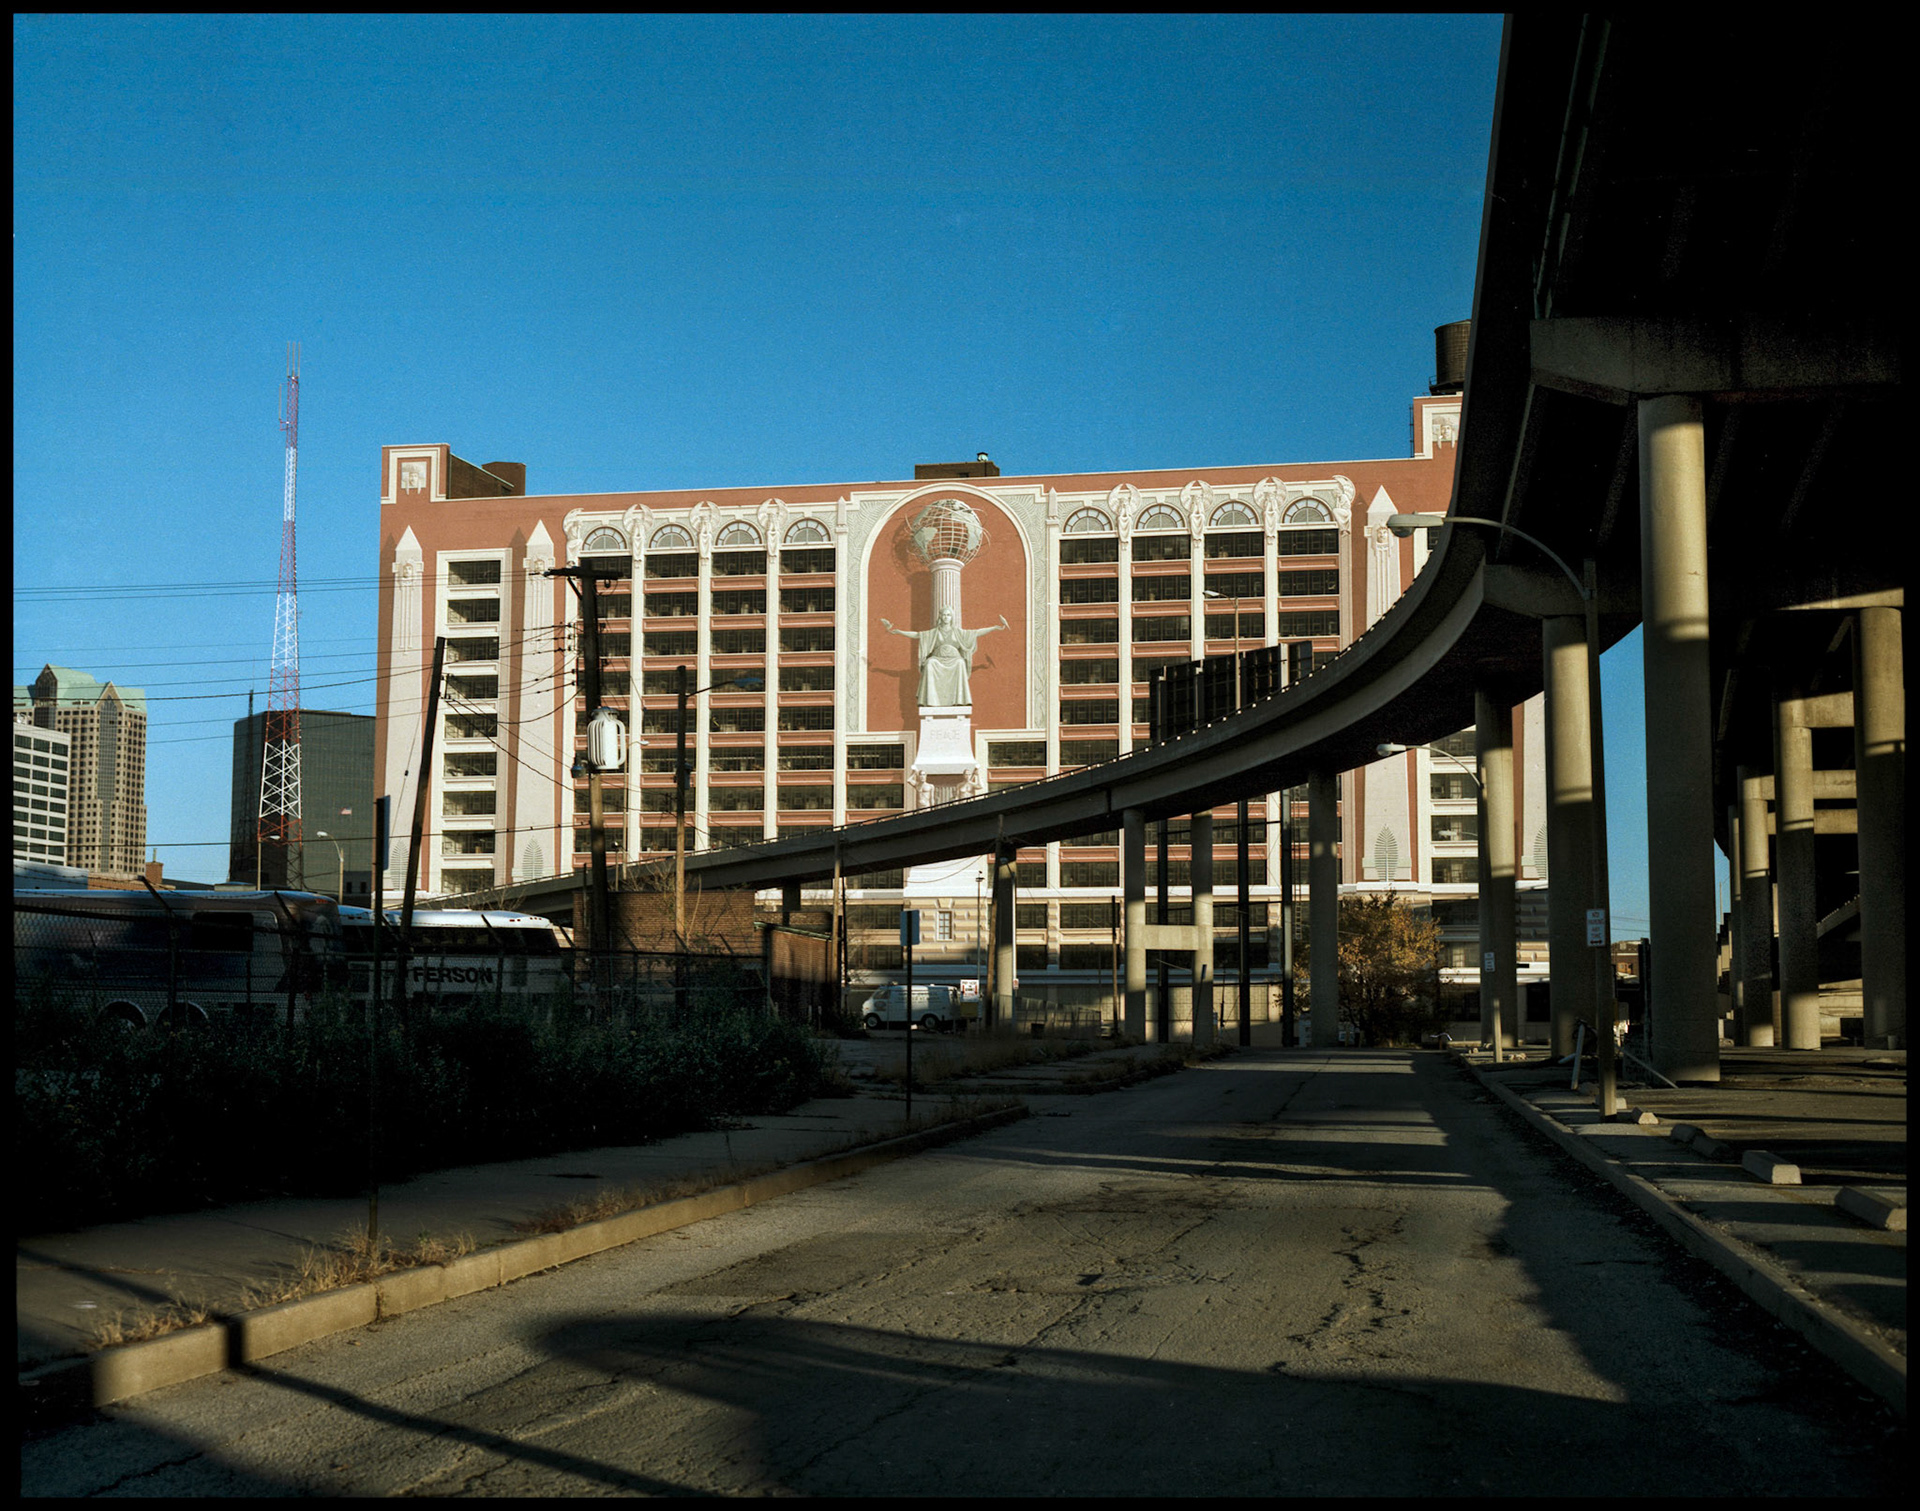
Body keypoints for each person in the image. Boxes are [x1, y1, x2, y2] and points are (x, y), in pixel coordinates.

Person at [879, 608, 1009, 708]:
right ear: (940, 617)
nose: (946, 617)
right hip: (938, 659)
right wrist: (898, 631)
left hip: (954, 659)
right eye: (944, 614)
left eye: (948, 615)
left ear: (952, 617)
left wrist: (995, 628)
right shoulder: (934, 632)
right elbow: (917, 635)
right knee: (930, 663)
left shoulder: (958, 632)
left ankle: (958, 700)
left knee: (960, 663)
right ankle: (930, 701)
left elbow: (976, 632)